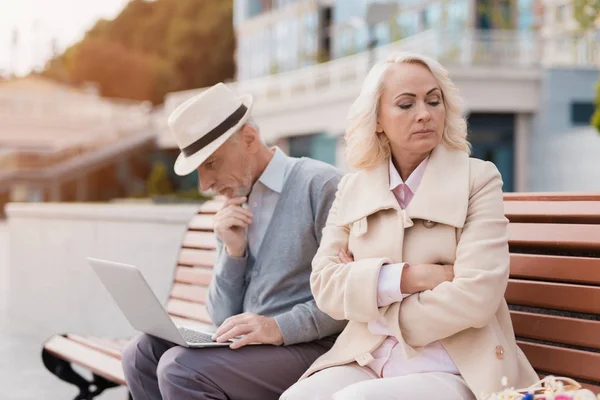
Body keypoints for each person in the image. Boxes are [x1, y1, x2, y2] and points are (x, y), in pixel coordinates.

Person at [281, 52, 538, 400]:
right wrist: (410, 277)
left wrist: (372, 300)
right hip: (368, 357)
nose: (425, 114)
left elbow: (478, 295)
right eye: (406, 104)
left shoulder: (478, 179)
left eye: (434, 101)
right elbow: (325, 286)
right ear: (377, 120)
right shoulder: (353, 188)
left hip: (455, 366)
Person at [121, 82, 348, 400]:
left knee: (180, 370)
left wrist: (277, 327)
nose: (205, 184)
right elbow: (220, 316)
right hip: (248, 349)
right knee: (140, 354)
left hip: (311, 348)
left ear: (250, 140)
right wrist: (233, 252)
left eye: (211, 164)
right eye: (198, 171)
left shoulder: (321, 185)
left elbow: (351, 297)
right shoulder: (235, 200)